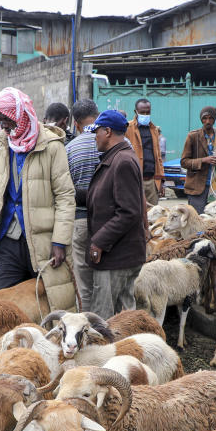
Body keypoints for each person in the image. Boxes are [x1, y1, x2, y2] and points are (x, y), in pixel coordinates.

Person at [0, 87, 76, 310]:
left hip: (43, 241)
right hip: (9, 238)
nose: (3, 125)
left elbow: (65, 197)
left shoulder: (51, 146)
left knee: (48, 303)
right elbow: (0, 188)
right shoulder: (4, 144)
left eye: (6, 119)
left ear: (20, 114)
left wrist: (60, 241)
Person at [85, 109, 147, 319]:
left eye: (97, 132)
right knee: (124, 319)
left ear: (108, 131)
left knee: (104, 319)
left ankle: (110, 352)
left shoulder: (122, 162)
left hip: (117, 258)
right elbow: (105, 198)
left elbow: (129, 212)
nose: (95, 137)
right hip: (120, 255)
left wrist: (98, 242)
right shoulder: (116, 158)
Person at [65, 99, 100, 311]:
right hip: (109, 223)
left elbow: (65, 190)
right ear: (98, 115)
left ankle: (86, 322)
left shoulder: (69, 149)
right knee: (105, 280)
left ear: (75, 124)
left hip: (79, 222)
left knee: (83, 283)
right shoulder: (118, 143)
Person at [181, 106, 216, 214]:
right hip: (197, 188)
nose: (207, 121)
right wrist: (203, 160)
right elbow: (184, 162)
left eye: (210, 118)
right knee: (198, 220)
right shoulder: (193, 136)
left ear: (214, 119)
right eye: (204, 118)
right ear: (201, 119)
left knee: (215, 221)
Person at [125, 98, 165, 205]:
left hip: (152, 181)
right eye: (142, 112)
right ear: (136, 112)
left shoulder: (154, 130)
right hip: (135, 181)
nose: (146, 115)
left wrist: (161, 181)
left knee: (152, 214)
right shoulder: (127, 129)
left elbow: (158, 158)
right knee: (136, 213)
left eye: (148, 112)